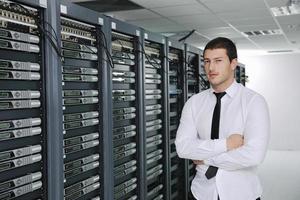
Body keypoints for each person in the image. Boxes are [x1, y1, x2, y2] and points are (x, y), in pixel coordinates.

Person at [175, 37, 270, 200]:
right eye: (206, 61)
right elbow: (183, 148)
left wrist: (205, 159)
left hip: (241, 193)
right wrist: (226, 144)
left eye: (218, 60)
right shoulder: (194, 103)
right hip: (201, 193)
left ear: (233, 63)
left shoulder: (253, 101)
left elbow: (254, 154)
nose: (211, 67)